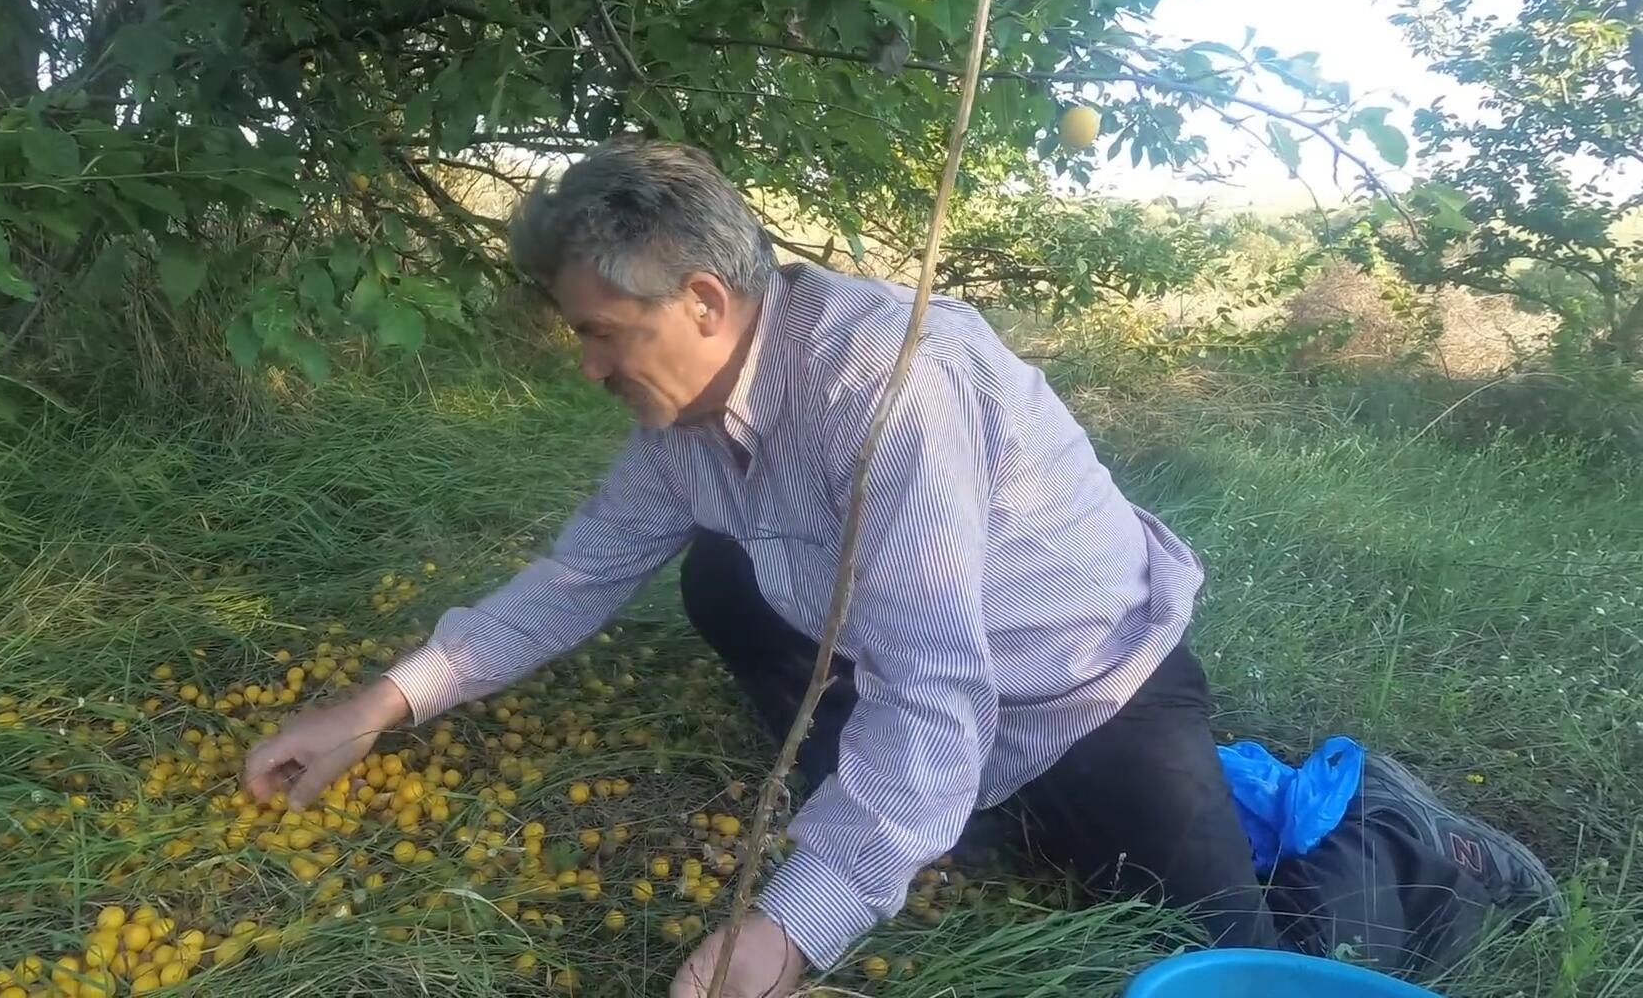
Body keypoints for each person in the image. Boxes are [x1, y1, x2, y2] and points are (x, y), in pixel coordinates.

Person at [243, 139, 1558, 996]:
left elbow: (936, 685)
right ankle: (927, 820)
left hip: (1085, 686)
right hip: (896, 657)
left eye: (601, 333)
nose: (587, 366)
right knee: (719, 575)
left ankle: (1409, 836)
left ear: (703, 301)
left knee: (1222, 956)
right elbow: (576, 575)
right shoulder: (679, 423)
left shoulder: (884, 386)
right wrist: (378, 706)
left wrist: (789, 926)